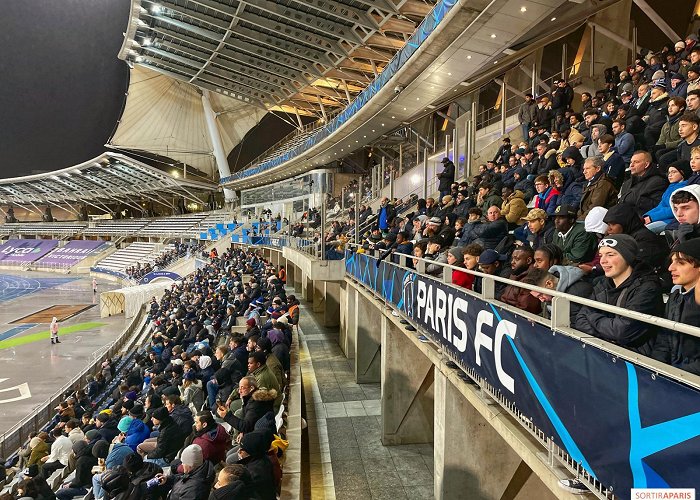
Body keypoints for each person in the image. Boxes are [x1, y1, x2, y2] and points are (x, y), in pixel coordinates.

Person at [574, 235, 663, 355]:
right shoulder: (602, 284)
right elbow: (580, 320)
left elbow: (623, 331)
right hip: (605, 351)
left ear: (628, 257)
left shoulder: (648, 287)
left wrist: (593, 317)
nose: (603, 261)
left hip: (637, 359)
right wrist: (608, 335)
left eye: (610, 255)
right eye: (601, 255)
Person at [651, 239, 700, 374]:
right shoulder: (675, 297)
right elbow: (664, 340)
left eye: (681, 263)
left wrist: (675, 373)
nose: (670, 268)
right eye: (672, 262)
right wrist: (656, 368)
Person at [524, 266, 593, 323]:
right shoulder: (550, 295)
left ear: (549, 284)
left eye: (540, 295)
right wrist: (538, 320)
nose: (541, 300)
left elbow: (577, 324)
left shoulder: (578, 292)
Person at [644, 160, 692, 233]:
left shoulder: (684, 188)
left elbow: (674, 210)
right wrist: (646, 216)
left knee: (645, 230)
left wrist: (651, 218)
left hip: (670, 221)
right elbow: (661, 205)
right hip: (661, 218)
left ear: (683, 173)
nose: (670, 175)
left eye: (674, 172)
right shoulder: (670, 187)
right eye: (669, 172)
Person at [618, 151, 669, 217]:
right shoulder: (627, 182)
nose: (631, 165)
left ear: (646, 164)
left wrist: (636, 199)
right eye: (631, 162)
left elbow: (658, 205)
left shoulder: (657, 182)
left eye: (636, 162)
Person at [499, 246, 541, 314]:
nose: (512, 262)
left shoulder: (531, 279)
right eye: (512, 259)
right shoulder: (514, 273)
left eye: (517, 259)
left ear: (528, 261)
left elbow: (525, 309)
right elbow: (504, 298)